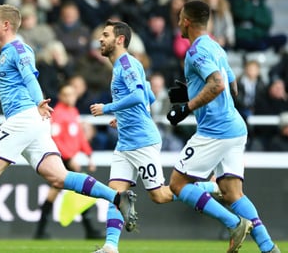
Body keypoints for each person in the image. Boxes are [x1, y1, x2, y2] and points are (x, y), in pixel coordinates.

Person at [0, 4, 137, 253]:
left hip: (24, 118)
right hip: (32, 122)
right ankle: (117, 198)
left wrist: (39, 102)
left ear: (6, 25)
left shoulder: (18, 49)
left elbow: (30, 76)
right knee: (58, 177)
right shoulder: (10, 50)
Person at [90, 19, 220, 253]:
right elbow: (149, 96)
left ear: (120, 40)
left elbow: (140, 96)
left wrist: (109, 108)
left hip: (142, 142)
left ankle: (209, 187)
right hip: (126, 141)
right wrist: (123, 116)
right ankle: (110, 246)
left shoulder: (126, 64)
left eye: (106, 35)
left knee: (160, 195)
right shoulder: (124, 65)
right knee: (116, 194)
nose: (101, 39)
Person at [166, 0, 279, 253]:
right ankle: (269, 248)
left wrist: (187, 106)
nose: (177, 24)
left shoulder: (195, 51)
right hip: (235, 127)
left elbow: (217, 84)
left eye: (179, 18)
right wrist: (193, 88)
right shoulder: (217, 47)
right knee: (232, 192)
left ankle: (234, 223)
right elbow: (232, 86)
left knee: (177, 184)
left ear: (186, 21)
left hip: (215, 130)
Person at [33, 84, 103, 240]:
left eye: (73, 94)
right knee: (81, 189)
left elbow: (79, 137)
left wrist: (89, 155)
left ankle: (40, 231)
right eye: (67, 95)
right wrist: (69, 158)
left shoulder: (73, 112)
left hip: (69, 158)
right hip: (62, 159)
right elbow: (56, 139)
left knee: (60, 191)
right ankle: (89, 230)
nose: (71, 98)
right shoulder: (57, 114)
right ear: (62, 96)